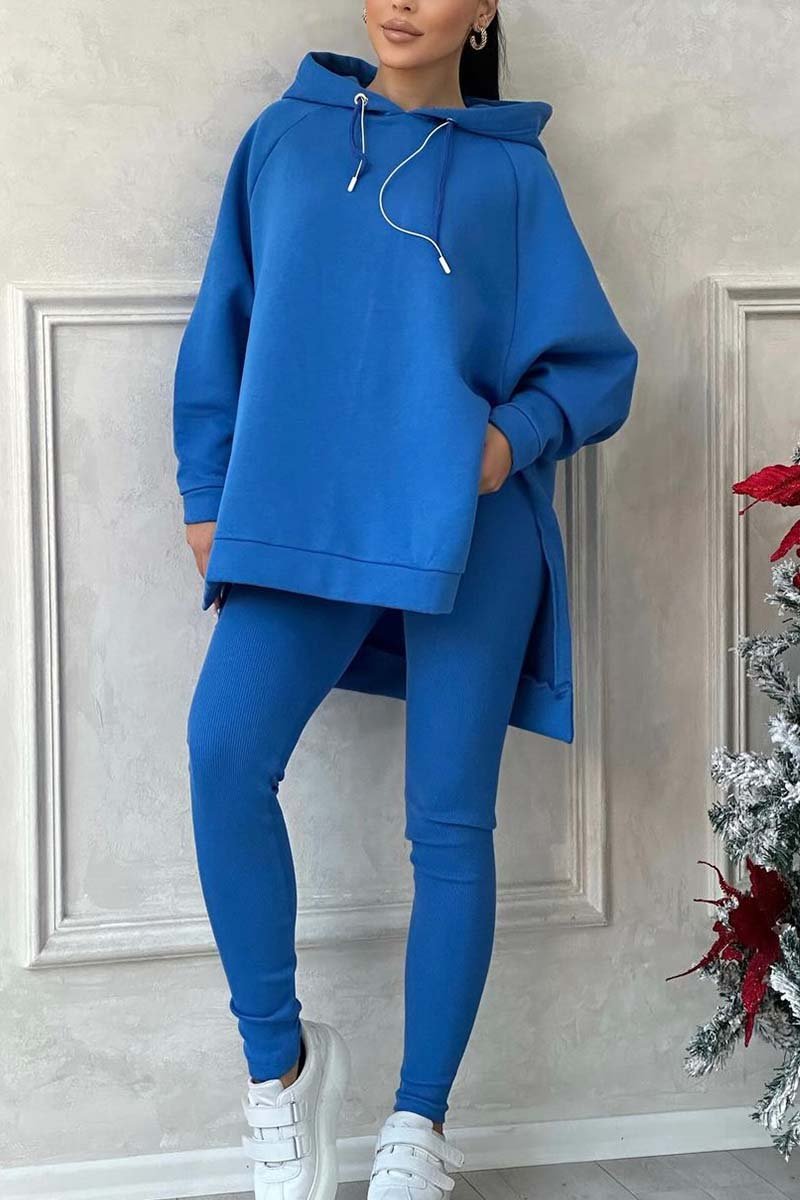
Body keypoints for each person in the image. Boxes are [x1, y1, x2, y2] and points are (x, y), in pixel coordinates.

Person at [172, 5, 639, 1200]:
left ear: (482, 11)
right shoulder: (285, 139)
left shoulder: (511, 173)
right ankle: (280, 1075)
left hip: (470, 530)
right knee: (224, 754)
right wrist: (206, 490)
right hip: (304, 514)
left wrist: (507, 440)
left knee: (448, 823)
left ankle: (417, 1127)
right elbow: (224, 319)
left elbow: (595, 366)